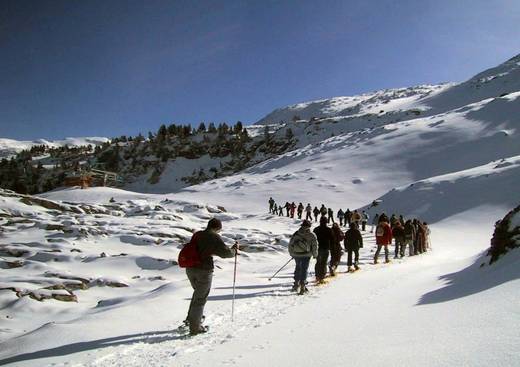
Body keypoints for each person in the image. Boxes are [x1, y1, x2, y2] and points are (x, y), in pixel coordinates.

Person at [185, 218, 237, 335]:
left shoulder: (198, 234)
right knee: (200, 298)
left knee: (197, 294)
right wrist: (233, 251)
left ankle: (190, 320)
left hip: (190, 269)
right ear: (218, 227)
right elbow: (225, 253)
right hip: (204, 270)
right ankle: (195, 328)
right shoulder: (214, 237)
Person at [289, 220, 318, 295]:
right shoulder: (311, 235)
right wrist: (315, 255)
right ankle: (303, 286)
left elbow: (290, 244)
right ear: (309, 226)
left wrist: (292, 253)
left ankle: (296, 284)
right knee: (304, 269)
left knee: (298, 267)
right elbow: (315, 246)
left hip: (296, 254)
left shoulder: (296, 233)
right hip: (306, 255)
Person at [313, 216, 334, 283]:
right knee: (324, 263)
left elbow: (313, 240)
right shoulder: (329, 230)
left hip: (317, 248)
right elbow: (332, 239)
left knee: (318, 262)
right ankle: (321, 277)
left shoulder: (316, 229)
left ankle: (317, 276)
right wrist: (332, 248)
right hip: (326, 248)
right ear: (326, 221)